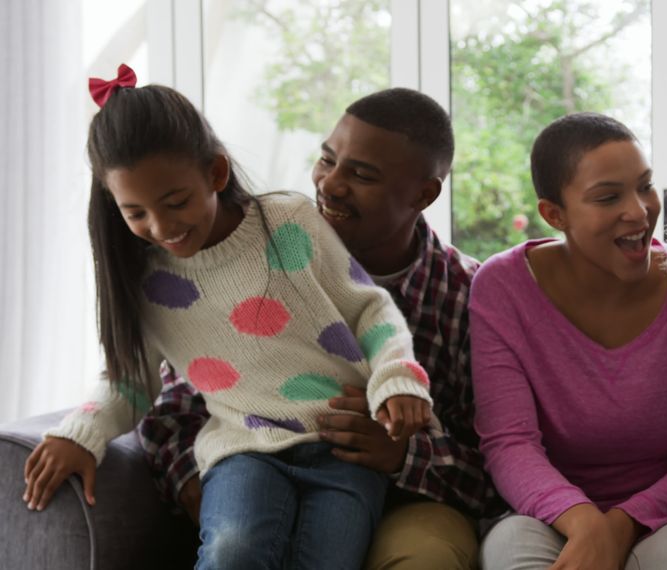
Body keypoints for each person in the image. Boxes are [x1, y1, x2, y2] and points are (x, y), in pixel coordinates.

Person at [20, 67, 433, 569]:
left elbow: (372, 309)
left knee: (328, 559)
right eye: (136, 213)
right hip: (242, 448)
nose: (162, 226)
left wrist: (395, 378)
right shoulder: (142, 279)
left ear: (215, 174)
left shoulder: (290, 222)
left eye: (176, 202)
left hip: (343, 452)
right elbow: (130, 383)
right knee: (232, 549)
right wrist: (79, 434)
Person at [137, 87, 500, 569]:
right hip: (261, 473)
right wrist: (209, 499)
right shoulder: (265, 248)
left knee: (423, 558)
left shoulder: (470, 297)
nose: (330, 184)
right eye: (327, 160)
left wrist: (403, 454)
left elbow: (501, 465)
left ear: (423, 194)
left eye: (361, 175)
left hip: (410, 502)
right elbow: (170, 411)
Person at [471, 112, 667, 570]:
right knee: (510, 554)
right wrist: (583, 524)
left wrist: (619, 526)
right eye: (608, 197)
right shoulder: (502, 286)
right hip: (549, 515)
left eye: (645, 186)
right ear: (554, 214)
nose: (639, 211)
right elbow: (509, 442)